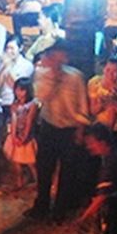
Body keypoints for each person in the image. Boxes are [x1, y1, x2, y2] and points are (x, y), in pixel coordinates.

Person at [26, 41, 90, 221]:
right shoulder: (41, 74)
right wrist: (54, 76)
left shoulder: (76, 77)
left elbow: (82, 107)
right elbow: (41, 97)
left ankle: (60, 210)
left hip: (69, 130)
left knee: (67, 172)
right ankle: (41, 206)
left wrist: (80, 130)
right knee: (44, 169)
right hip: (49, 127)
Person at [3, 77, 38, 190]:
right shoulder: (14, 104)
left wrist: (24, 137)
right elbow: (13, 121)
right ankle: (20, 181)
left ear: (28, 91)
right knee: (15, 161)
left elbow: (29, 121)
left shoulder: (33, 104)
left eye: (22, 90)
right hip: (15, 136)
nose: (19, 93)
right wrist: (13, 137)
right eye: (17, 90)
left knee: (30, 162)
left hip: (27, 137)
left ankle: (38, 181)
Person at [88, 57, 117, 128]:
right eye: (108, 70)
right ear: (104, 69)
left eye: (115, 71)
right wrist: (102, 103)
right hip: (98, 126)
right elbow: (93, 111)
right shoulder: (95, 82)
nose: (110, 74)